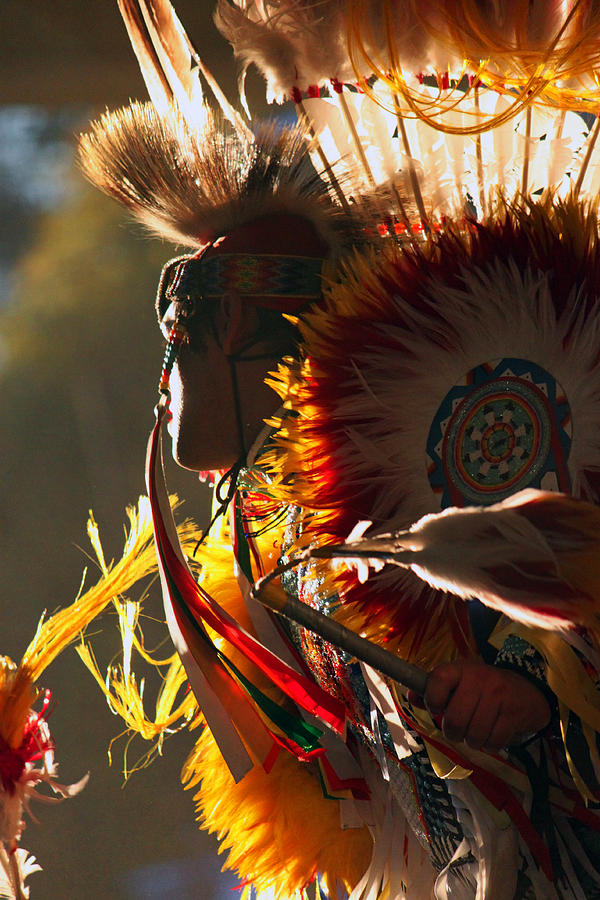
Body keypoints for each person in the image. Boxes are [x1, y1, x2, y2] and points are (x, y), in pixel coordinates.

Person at [76, 1, 600, 897]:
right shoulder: (285, 533)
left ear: (230, 318)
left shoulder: (456, 427)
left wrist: (534, 695)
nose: (164, 392)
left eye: (177, 342)